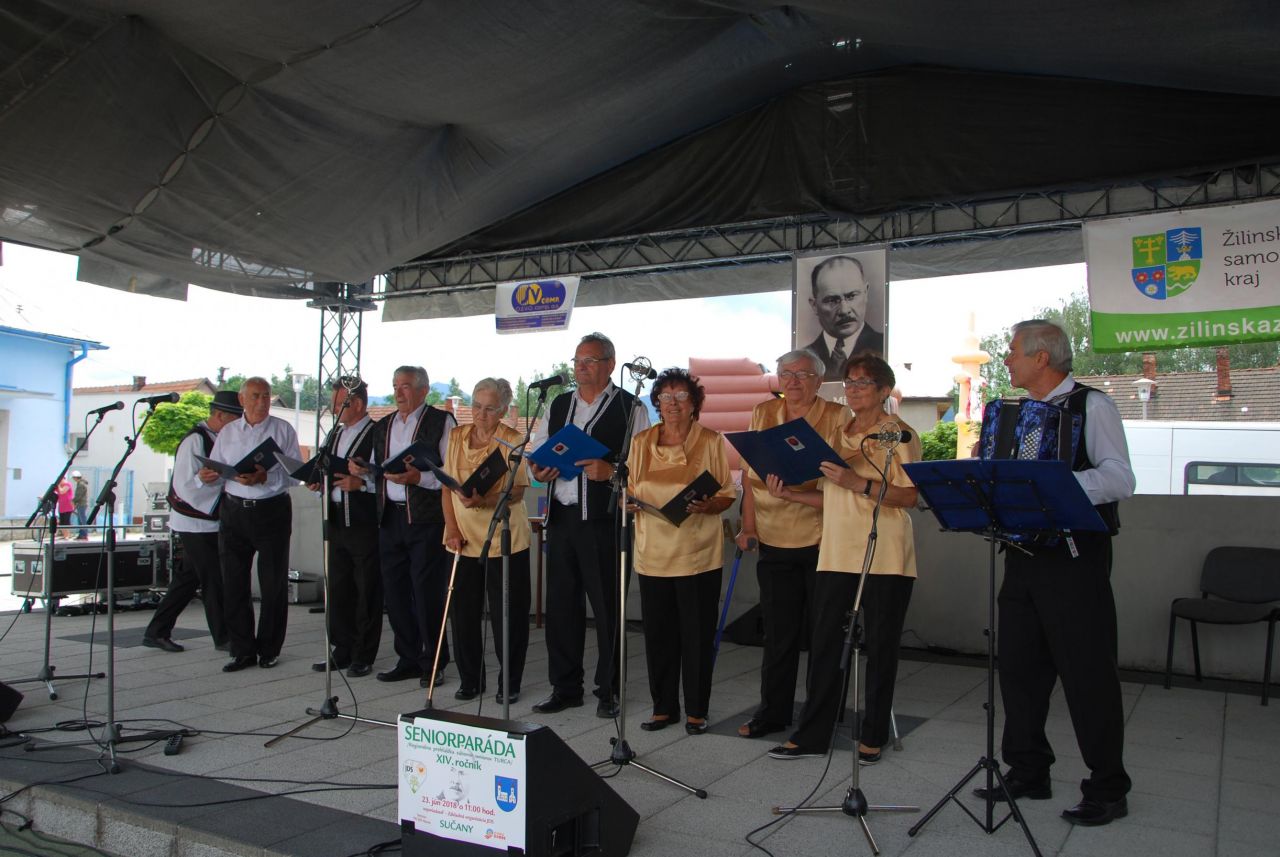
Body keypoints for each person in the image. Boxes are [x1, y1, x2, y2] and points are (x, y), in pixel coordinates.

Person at [976, 319, 1136, 827]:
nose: (1007, 360)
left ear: (1041, 357)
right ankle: (1028, 770)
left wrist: (1053, 484)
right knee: (1019, 671)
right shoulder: (1013, 413)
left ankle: (1108, 787)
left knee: (1087, 674)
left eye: (1012, 352)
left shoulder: (1093, 405)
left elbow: (1120, 478)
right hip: (1022, 556)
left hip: (1074, 558)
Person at [764, 354, 918, 763]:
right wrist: (789, 494)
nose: (853, 389)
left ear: (884, 390)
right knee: (826, 646)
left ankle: (873, 734)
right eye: (849, 382)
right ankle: (813, 734)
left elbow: (909, 497)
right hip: (834, 552)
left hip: (884, 553)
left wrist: (858, 483)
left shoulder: (898, 434)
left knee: (880, 646)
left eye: (863, 383)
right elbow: (830, 497)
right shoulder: (837, 433)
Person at [528, 332, 649, 718]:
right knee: (561, 607)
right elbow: (537, 451)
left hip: (603, 521)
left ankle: (608, 690)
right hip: (561, 518)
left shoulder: (631, 407)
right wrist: (538, 471)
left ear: (610, 364)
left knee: (608, 607)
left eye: (590, 360)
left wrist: (610, 471)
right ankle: (565, 687)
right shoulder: (559, 403)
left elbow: (644, 466)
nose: (581, 367)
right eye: (577, 360)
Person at [735, 349, 849, 740]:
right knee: (778, 633)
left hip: (822, 539)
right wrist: (748, 527)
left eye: (803, 374)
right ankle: (773, 712)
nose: (794, 381)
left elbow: (843, 480)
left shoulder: (837, 416)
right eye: (786, 374)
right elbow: (749, 478)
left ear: (819, 381)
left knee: (824, 634)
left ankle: (823, 714)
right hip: (773, 537)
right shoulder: (763, 412)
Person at [626, 368, 735, 735]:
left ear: (694, 404)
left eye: (681, 396)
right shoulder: (641, 441)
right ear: (657, 402)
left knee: (696, 636)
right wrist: (628, 503)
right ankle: (663, 708)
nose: (672, 403)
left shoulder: (711, 440)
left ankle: (697, 711)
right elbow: (630, 488)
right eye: (665, 396)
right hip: (652, 553)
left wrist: (710, 505)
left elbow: (726, 493)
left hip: (697, 555)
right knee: (658, 636)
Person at [358, 366, 456, 688]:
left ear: (424, 390)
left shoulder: (441, 421)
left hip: (426, 519)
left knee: (427, 593)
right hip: (390, 517)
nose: (398, 392)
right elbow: (380, 471)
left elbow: (450, 474)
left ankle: (434, 661)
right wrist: (364, 472)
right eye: (395, 386)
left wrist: (419, 478)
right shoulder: (383, 425)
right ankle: (408, 658)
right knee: (396, 592)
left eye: (405, 386)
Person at [199, 377, 301, 672]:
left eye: (266, 396)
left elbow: (296, 474)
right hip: (234, 511)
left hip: (271, 510)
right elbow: (216, 469)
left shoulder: (283, 429)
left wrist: (266, 477)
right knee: (233, 582)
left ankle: (269, 649)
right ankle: (242, 650)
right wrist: (207, 475)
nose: (261, 401)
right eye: (255, 396)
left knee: (273, 584)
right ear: (242, 400)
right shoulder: (228, 432)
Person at [442, 378, 531, 703]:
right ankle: (470, 679)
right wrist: (451, 528)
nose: (481, 414)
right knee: (463, 613)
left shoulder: (512, 439)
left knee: (508, 614)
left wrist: (485, 500)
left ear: (503, 410)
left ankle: (509, 681)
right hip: (462, 538)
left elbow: (518, 491)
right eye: (476, 406)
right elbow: (446, 487)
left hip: (504, 538)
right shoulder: (456, 436)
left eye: (490, 409)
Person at [143, 391, 240, 653]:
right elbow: (184, 485)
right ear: (219, 415)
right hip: (195, 522)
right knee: (213, 579)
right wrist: (206, 485)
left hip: (209, 521)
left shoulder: (219, 439)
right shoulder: (195, 440)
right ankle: (224, 637)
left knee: (188, 579)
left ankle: (156, 631)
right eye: (234, 420)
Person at [310, 378, 381, 678]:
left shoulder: (377, 432)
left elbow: (385, 476)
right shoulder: (335, 434)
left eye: (340, 404)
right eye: (334, 404)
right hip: (336, 518)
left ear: (359, 404)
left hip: (364, 521)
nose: (334, 409)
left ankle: (363, 654)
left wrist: (361, 484)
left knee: (366, 589)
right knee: (338, 587)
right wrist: (317, 481)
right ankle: (342, 648)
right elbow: (325, 466)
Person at [804, 255, 885, 381]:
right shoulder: (803, 359)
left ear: (866, 293)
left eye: (851, 296)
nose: (844, 310)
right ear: (814, 305)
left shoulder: (884, 347)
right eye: (832, 300)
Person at [71, 472, 90, 540]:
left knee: (82, 520)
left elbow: (78, 495)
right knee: (80, 520)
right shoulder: (81, 483)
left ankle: (84, 534)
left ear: (75, 477)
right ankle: (82, 534)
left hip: (81, 504)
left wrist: (73, 501)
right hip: (81, 504)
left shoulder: (81, 485)